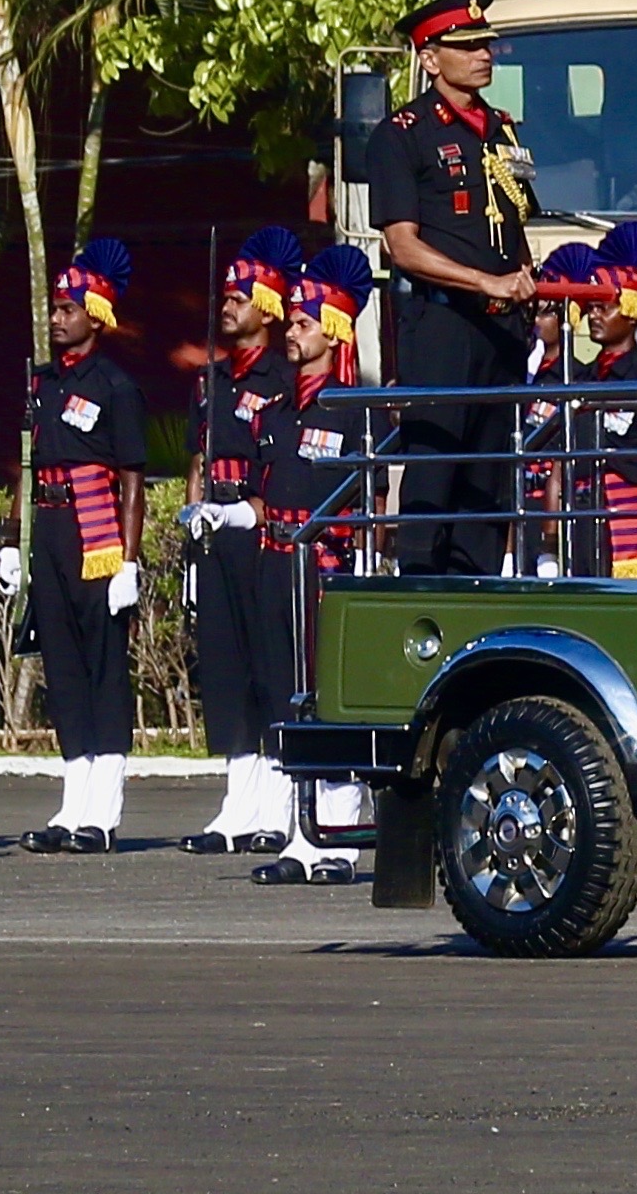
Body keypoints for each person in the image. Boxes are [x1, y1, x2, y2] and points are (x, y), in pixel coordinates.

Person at [363, 0, 539, 575]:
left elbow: (516, 221)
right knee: (435, 470)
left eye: (486, 44)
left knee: (490, 481)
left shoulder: (501, 129)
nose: (483, 55)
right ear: (431, 59)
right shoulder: (402, 133)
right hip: (443, 325)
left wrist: (524, 281)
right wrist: (483, 283)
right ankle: (419, 593)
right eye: (466, 46)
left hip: (502, 334)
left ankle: (480, 590)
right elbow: (403, 246)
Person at [15, 239, 148, 853]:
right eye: (55, 307)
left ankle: (105, 808)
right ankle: (72, 804)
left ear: (96, 314)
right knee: (62, 667)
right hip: (50, 530)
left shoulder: (115, 385)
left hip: (96, 532)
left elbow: (130, 477)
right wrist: (15, 548)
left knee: (102, 669)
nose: (56, 316)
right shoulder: (41, 383)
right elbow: (27, 466)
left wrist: (128, 558)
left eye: (68, 308)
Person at [255, 245, 381, 885]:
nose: (289, 332)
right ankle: (300, 832)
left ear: (333, 328)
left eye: (302, 323)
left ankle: (338, 831)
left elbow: (375, 498)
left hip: (329, 566)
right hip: (278, 560)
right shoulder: (279, 408)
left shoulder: (356, 410)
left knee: (328, 697)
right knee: (286, 691)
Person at [180, 231, 305, 853]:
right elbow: (197, 463)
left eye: (239, 297)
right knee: (226, 666)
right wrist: (190, 522)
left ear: (270, 307)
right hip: (214, 530)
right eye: (224, 296)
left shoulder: (284, 378)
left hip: (261, 532)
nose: (226, 306)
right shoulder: (209, 379)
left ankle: (278, 803)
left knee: (268, 667)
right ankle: (237, 802)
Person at [553, 221, 637, 579]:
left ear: (633, 309)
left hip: (629, 527)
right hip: (577, 523)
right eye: (590, 307)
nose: (593, 315)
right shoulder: (579, 379)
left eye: (604, 307)